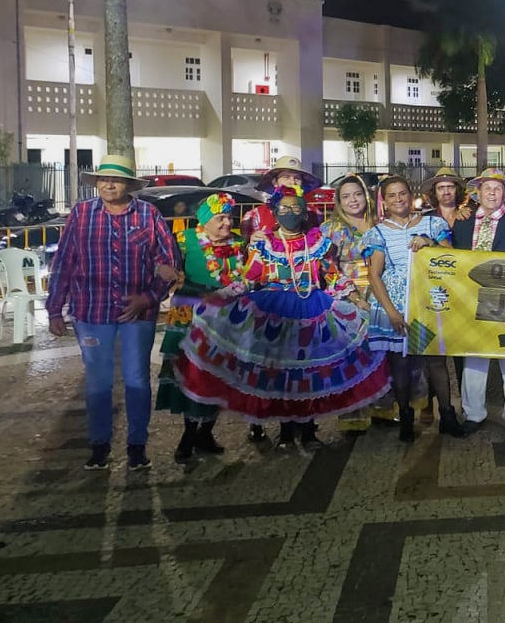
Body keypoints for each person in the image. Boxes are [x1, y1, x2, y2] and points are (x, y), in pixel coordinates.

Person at [175, 185, 389, 448]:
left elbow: (332, 275)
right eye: (284, 208)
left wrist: (356, 300)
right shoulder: (264, 244)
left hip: (311, 308)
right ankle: (286, 432)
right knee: (280, 373)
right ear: (274, 213)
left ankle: (309, 430)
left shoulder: (317, 243)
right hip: (274, 311)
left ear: (303, 213)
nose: (290, 212)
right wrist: (220, 298)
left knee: (310, 372)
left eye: (296, 208)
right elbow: (249, 279)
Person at [47, 155, 179, 471]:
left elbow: (170, 264)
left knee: (136, 379)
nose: (108, 184)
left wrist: (147, 299)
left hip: (137, 316)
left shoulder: (148, 215)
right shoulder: (80, 215)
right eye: (103, 180)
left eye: (116, 180)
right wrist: (54, 310)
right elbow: (64, 263)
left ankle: (137, 446)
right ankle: (99, 445)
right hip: (91, 312)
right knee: (97, 381)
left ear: (129, 185)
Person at [363, 175, 465, 440]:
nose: (398, 199)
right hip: (395, 303)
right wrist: (392, 312)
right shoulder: (378, 232)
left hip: (430, 299)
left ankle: (448, 415)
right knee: (400, 363)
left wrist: (430, 243)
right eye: (392, 195)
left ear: (412, 195)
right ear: (384, 201)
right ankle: (406, 418)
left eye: (403, 193)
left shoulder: (433, 223)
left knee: (436, 360)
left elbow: (451, 255)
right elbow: (375, 275)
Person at [156, 192, 246, 463]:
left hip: (225, 314)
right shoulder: (185, 240)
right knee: (191, 373)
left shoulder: (240, 243)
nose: (226, 223)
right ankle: (188, 434)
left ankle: (206, 432)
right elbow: (164, 268)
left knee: (218, 374)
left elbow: (249, 274)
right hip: (189, 312)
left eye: (229, 217)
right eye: (219, 218)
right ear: (204, 221)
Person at [453, 168, 505, 434]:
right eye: (487, 188)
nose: (491, 193)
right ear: (477, 192)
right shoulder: (462, 222)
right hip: (470, 298)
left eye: (497, 189)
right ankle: (473, 413)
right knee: (474, 357)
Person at [323, 173, 397, 436]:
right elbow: (326, 267)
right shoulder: (330, 230)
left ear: (365, 196)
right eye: (346, 196)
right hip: (348, 299)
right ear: (338, 202)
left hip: (382, 295)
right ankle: (353, 413)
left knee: (382, 355)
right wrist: (352, 296)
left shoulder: (382, 223)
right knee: (352, 357)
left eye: (357, 194)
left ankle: (384, 408)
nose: (353, 200)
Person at [242, 155, 321, 239]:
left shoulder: (314, 213)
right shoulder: (255, 215)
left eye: (297, 178)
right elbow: (245, 248)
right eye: (286, 177)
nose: (292, 182)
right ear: (275, 182)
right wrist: (252, 242)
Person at [422, 166, 471, 231]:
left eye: (450, 187)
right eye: (441, 188)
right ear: (434, 192)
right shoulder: (426, 220)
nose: (446, 192)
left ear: (457, 190)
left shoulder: (468, 217)